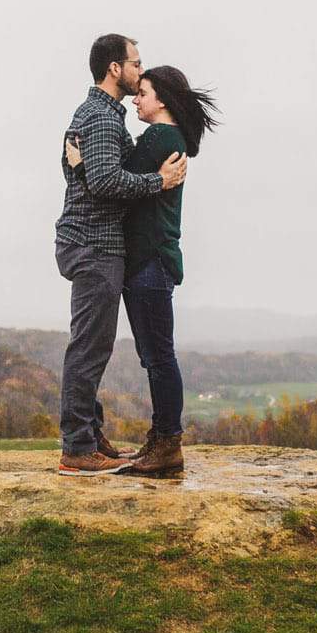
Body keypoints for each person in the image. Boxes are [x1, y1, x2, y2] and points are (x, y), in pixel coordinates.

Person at [66, 65, 219, 476]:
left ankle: (167, 443)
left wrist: (83, 168)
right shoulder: (163, 138)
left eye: (144, 92)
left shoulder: (159, 137)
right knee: (155, 356)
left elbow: (114, 184)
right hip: (151, 261)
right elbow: (131, 182)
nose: (137, 98)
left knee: (158, 357)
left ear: (162, 100)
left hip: (150, 261)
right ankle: (161, 439)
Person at [54, 34, 187, 477]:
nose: (139, 70)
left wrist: (79, 167)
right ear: (115, 68)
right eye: (135, 63)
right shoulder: (101, 117)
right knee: (89, 349)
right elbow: (110, 182)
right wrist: (159, 183)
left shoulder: (100, 116)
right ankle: (77, 446)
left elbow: (90, 169)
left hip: (95, 243)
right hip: (94, 245)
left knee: (92, 346)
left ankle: (87, 435)